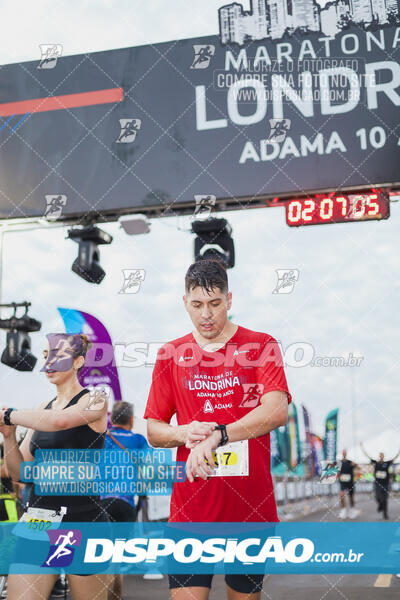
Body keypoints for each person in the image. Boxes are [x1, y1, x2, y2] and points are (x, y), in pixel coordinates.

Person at [144, 259, 291, 600]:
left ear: (229, 299)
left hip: (249, 513)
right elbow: (154, 430)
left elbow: (276, 411)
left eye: (214, 303)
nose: (206, 314)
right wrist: (185, 433)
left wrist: (220, 434)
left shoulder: (260, 345)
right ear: (185, 303)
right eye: (197, 305)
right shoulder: (171, 354)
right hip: (190, 513)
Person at [0, 333, 111, 600]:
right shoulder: (42, 408)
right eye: (47, 356)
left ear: (78, 362)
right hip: (39, 518)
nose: (49, 362)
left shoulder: (96, 398)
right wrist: (8, 435)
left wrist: (9, 414)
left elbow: (60, 422)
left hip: (84, 521)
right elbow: (19, 474)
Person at [100, 400, 149, 600]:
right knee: (116, 558)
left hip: (101, 502)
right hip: (126, 503)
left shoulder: (102, 438)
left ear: (111, 418)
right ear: (131, 419)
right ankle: (114, 596)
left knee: (100, 555)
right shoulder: (138, 440)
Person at [361, 442, 400, 520]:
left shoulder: (387, 463)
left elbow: (395, 458)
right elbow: (367, 456)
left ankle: (385, 513)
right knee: (377, 497)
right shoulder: (376, 463)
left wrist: (399, 451)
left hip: (385, 483)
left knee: (385, 499)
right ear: (379, 456)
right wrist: (362, 448)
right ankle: (380, 505)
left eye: (382, 455)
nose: (381, 456)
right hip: (377, 483)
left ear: (383, 456)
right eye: (380, 455)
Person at [338, 450, 357, 519]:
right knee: (342, 495)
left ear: (346, 454)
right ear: (342, 454)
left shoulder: (350, 462)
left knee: (351, 497)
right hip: (342, 481)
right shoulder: (339, 463)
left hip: (350, 482)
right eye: (343, 452)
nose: (344, 454)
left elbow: (357, 466)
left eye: (345, 452)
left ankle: (352, 510)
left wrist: (355, 464)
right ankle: (343, 510)